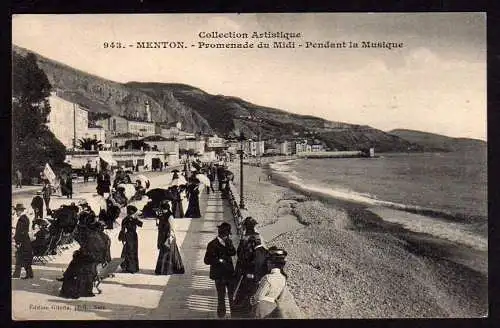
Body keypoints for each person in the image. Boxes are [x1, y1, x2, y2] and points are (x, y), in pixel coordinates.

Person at [203, 222, 236, 318]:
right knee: (221, 297)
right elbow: (206, 260)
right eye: (228, 234)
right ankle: (221, 316)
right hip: (219, 275)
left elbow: (233, 253)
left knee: (231, 296)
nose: (229, 236)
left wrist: (229, 244)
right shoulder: (212, 244)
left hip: (229, 274)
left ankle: (233, 315)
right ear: (224, 234)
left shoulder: (228, 242)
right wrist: (219, 260)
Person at [233, 217, 264, 316]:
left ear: (246, 226)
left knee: (240, 291)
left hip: (245, 269)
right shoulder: (258, 237)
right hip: (255, 271)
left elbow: (240, 254)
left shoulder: (246, 239)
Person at [249, 248, 288, 319]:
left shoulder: (267, 277)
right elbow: (281, 297)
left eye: (268, 262)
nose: (267, 264)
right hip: (273, 308)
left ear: (272, 264)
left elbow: (259, 297)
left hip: (261, 307)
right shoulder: (283, 278)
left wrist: (252, 299)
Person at [154, 201, 184, 275]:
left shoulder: (170, 216)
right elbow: (160, 225)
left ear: (166, 209)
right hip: (163, 236)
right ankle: (163, 269)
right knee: (164, 252)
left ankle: (167, 269)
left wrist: (171, 237)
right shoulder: (162, 215)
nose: (162, 210)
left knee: (168, 252)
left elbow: (173, 228)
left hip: (168, 236)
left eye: (163, 209)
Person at [118, 205, 143, 273]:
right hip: (128, 236)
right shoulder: (126, 219)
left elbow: (141, 224)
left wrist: (135, 218)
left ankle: (132, 267)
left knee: (133, 251)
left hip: (133, 236)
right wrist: (123, 239)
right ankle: (130, 268)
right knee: (129, 251)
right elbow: (123, 229)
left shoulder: (132, 219)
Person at [13, 204, 34, 279]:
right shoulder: (26, 218)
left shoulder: (22, 219)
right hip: (26, 241)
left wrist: (18, 242)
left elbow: (20, 232)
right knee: (25, 258)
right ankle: (29, 274)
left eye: (16, 211)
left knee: (19, 257)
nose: (16, 212)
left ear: (20, 210)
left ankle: (17, 274)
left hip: (23, 242)